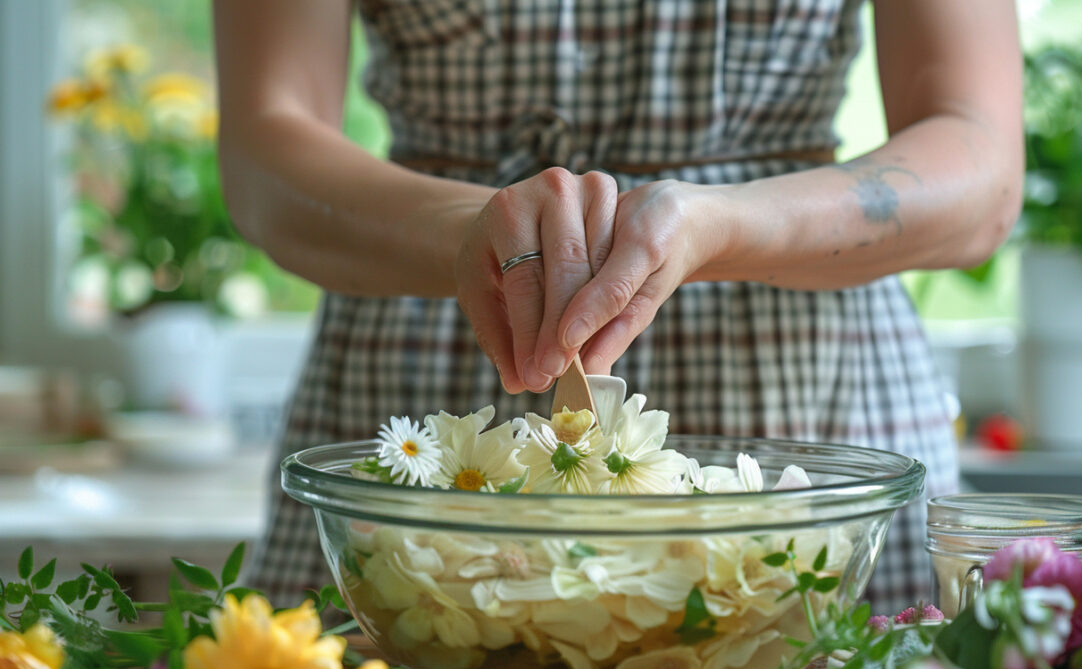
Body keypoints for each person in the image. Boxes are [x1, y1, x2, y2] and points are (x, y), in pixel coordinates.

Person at [213, 0, 1023, 612]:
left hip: (807, 420)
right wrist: (475, 232)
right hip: (427, 414)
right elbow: (263, 151)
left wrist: (726, 224)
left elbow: (980, 171)